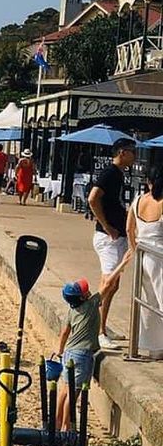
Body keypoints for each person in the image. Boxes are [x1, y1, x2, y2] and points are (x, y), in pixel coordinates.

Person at [87, 139, 137, 348]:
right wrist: (106, 225)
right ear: (123, 153)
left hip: (114, 235)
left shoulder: (117, 174)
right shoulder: (110, 173)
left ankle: (102, 326)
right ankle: (97, 331)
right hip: (109, 237)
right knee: (108, 283)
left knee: (113, 284)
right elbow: (93, 198)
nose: (135, 156)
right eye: (133, 152)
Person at [125, 163, 163, 356]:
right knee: (160, 299)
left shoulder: (138, 199)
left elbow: (129, 229)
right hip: (159, 255)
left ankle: (154, 347)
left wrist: (134, 249)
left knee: (149, 302)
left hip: (142, 252)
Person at [55, 280, 101, 430]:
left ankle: (56, 421)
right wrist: (123, 264)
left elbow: (64, 333)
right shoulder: (91, 305)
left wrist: (60, 350)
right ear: (82, 297)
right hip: (82, 354)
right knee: (73, 393)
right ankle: (66, 425)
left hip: (69, 352)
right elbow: (107, 285)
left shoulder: (72, 311)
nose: (88, 291)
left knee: (65, 389)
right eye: (84, 291)